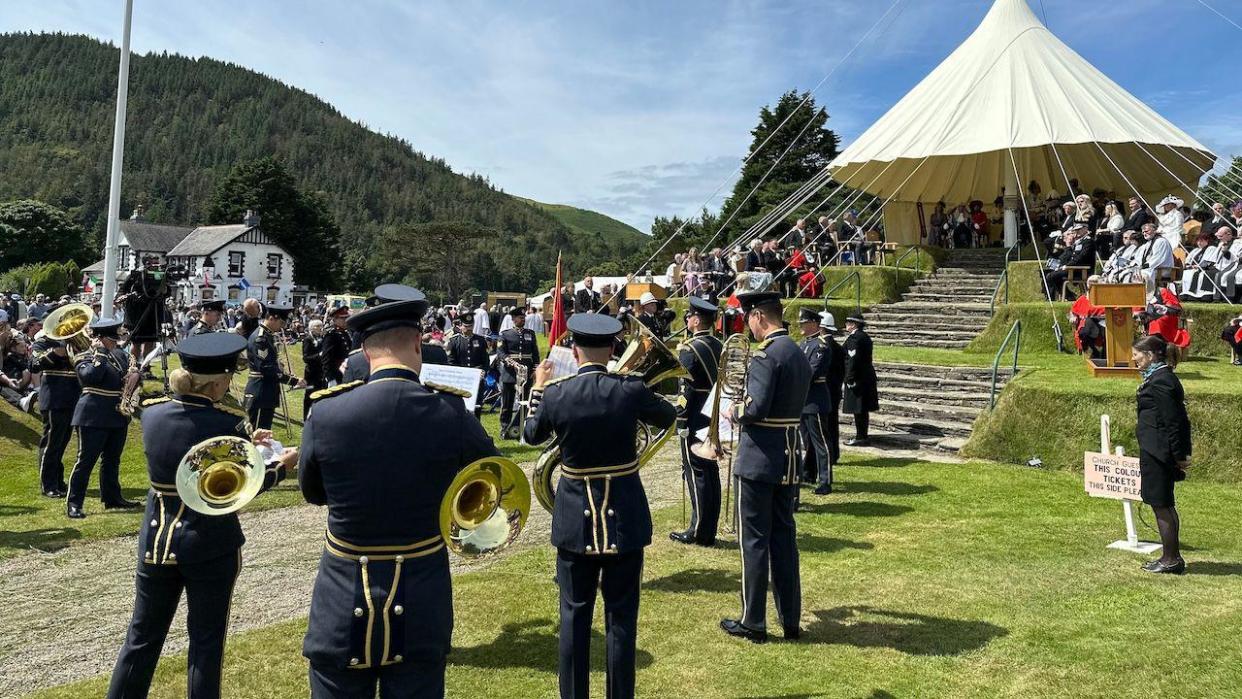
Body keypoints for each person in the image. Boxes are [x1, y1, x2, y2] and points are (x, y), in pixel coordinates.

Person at [299, 292, 499, 698]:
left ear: (365, 351)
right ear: (416, 344)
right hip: (423, 597)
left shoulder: (326, 412)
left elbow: (314, 492)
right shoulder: (449, 412)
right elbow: (495, 477)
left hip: (341, 596)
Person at [106, 333, 296, 699]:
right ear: (220, 382)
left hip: (157, 538)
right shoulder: (227, 422)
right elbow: (248, 483)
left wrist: (244, 443)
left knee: (141, 639)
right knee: (206, 644)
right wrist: (283, 466)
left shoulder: (155, 412)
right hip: (209, 542)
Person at [523, 313, 676, 699]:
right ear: (612, 350)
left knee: (574, 617)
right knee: (622, 619)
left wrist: (538, 387)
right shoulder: (630, 388)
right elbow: (669, 415)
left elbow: (530, 435)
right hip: (625, 518)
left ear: (574, 351)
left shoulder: (556, 393)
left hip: (575, 520)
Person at [719, 291, 809, 644]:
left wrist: (733, 410)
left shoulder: (766, 356)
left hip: (759, 458)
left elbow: (754, 410)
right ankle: (790, 619)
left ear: (758, 316)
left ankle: (753, 620)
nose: (747, 326)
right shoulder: (798, 352)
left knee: (754, 541)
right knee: (784, 540)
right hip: (788, 454)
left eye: (748, 319)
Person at [66, 318, 141, 519]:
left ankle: (112, 497)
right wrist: (99, 354)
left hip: (117, 413)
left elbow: (130, 375)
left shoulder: (119, 355)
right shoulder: (84, 355)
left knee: (112, 460)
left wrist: (135, 377)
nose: (116, 342)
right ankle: (74, 503)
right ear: (101, 338)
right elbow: (90, 377)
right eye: (112, 338)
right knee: (85, 461)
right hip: (93, 414)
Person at [1132, 335, 1191, 575]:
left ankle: (1171, 559)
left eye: (1137, 354)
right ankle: (1170, 557)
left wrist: (1179, 455)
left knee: (1162, 504)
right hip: (1154, 448)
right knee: (1162, 503)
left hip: (1159, 451)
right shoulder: (1157, 377)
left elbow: (1174, 421)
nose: (1134, 358)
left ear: (1151, 355)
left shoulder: (1162, 380)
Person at [669, 296, 723, 547]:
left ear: (697, 319)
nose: (687, 319)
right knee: (710, 472)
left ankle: (699, 529)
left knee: (696, 472)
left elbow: (685, 389)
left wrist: (680, 418)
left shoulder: (690, 349)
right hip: (713, 412)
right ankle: (709, 528)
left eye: (689, 315)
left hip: (694, 414)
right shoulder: (719, 345)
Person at [31, 327, 80, 497]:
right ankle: (48, 484)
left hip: (72, 399)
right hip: (54, 400)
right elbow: (34, 365)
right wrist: (56, 352)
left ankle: (58, 481)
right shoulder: (42, 343)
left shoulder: (75, 344)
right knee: (51, 445)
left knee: (61, 444)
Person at [798, 309, 842, 495]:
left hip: (815, 400)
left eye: (804, 322)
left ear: (815, 324)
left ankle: (825, 480)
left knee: (821, 443)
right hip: (803, 400)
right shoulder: (803, 344)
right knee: (806, 441)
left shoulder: (821, 345)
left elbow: (812, 372)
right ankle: (808, 472)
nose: (801, 325)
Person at [243, 304, 304, 430]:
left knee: (264, 433)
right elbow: (266, 369)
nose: (282, 327)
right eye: (281, 323)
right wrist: (293, 380)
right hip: (261, 391)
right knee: (258, 433)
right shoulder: (261, 339)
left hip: (266, 391)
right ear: (272, 318)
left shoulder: (268, 335)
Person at [496, 307, 540, 439]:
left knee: (525, 400)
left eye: (524, 317)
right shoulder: (505, 334)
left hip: (526, 371)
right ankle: (505, 427)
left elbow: (535, 353)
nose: (523, 319)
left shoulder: (530, 333)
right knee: (507, 402)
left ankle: (520, 426)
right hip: (510, 371)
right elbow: (500, 352)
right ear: (514, 319)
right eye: (521, 318)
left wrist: (535, 368)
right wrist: (508, 361)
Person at [842, 315, 878, 447]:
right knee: (862, 409)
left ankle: (861, 436)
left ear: (854, 325)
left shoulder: (855, 338)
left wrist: (849, 378)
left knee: (859, 409)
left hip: (858, 378)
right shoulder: (865, 337)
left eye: (848, 322)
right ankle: (862, 435)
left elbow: (852, 359)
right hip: (866, 376)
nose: (846, 324)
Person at [447, 311, 491, 416]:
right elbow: (451, 361)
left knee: (477, 408)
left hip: (477, 379)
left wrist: (483, 371)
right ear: (460, 326)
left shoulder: (480, 340)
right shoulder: (454, 341)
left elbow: (485, 360)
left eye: (471, 326)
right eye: (466, 326)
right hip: (461, 380)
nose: (469, 328)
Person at [302, 319, 328, 417]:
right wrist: (320, 355)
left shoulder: (322, 338)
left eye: (321, 326)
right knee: (310, 395)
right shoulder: (308, 339)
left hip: (321, 372)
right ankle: (306, 417)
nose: (320, 328)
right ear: (312, 328)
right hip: (311, 373)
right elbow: (306, 358)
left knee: (321, 394)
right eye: (318, 326)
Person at [321, 306, 352, 386]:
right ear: (335, 320)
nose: (346, 321)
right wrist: (330, 378)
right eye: (343, 319)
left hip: (347, 372)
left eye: (347, 318)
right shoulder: (331, 335)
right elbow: (326, 358)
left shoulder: (346, 333)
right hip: (336, 373)